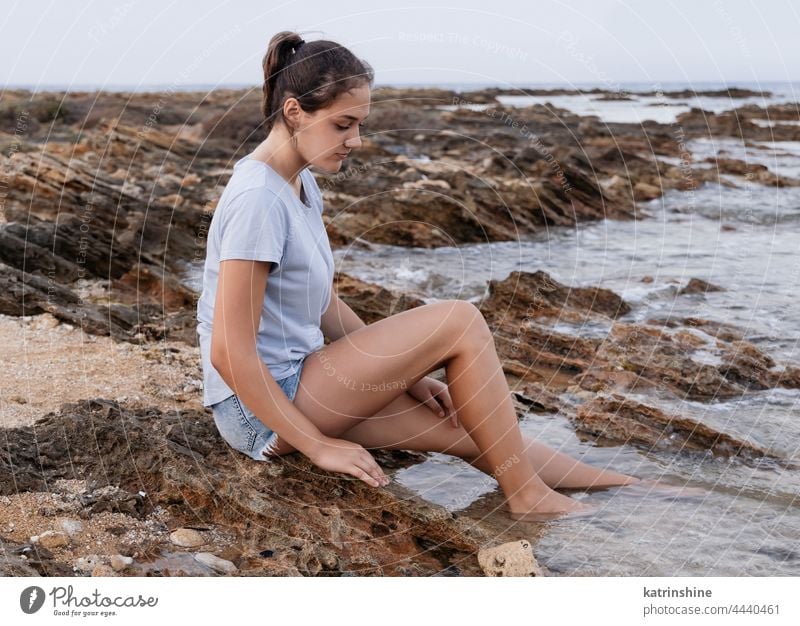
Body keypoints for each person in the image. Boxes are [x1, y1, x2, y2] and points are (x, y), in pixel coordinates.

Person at [197, 30, 643, 523]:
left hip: (302, 383)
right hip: (257, 408)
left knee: (474, 429)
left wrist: (408, 379)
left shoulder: (298, 182)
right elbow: (228, 351)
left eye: (360, 124)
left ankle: (641, 491)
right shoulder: (257, 198)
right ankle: (528, 500)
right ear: (294, 111)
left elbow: (321, 305)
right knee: (460, 321)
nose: (356, 141)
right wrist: (319, 446)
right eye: (343, 124)